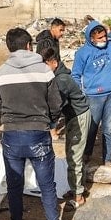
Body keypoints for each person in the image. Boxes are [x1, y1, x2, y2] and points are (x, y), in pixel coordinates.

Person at [0, 28, 62, 220]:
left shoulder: (0, 73)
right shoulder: (44, 70)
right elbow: (56, 104)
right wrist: (49, 123)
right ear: (29, 46)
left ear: (9, 47)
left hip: (12, 136)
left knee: (14, 185)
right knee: (47, 184)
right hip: (38, 134)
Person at [73, 21, 111, 166]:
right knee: (92, 128)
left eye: (104, 36)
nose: (104, 39)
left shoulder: (109, 46)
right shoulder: (82, 53)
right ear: (91, 38)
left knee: (108, 129)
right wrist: (80, 94)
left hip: (110, 94)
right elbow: (75, 75)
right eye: (100, 38)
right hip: (93, 97)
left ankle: (107, 159)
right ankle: (87, 153)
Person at [42, 46, 90, 206]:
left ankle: (78, 197)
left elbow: (56, 105)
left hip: (78, 117)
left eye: (45, 65)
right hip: (73, 116)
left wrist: (49, 123)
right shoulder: (58, 76)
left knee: (74, 156)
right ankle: (77, 187)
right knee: (72, 154)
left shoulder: (61, 80)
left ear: (54, 63)